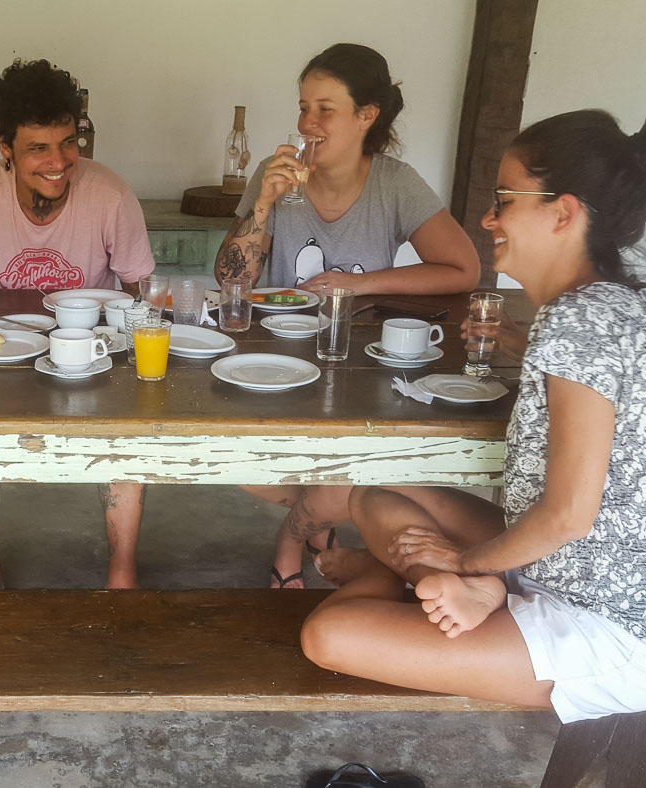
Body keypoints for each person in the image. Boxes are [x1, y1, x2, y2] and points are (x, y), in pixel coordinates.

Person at [299, 109, 646, 724]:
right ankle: (441, 581)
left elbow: (569, 515)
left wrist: (470, 563)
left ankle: (428, 579)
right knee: (374, 489)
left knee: (329, 636)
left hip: (617, 630)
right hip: (568, 570)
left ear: (563, 213)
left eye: (504, 201)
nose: (489, 219)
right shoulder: (598, 310)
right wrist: (525, 348)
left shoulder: (580, 321)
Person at [214, 43, 480, 589]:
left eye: (325, 108)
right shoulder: (276, 173)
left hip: (356, 363)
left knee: (351, 467)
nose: (307, 122)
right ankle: (318, 519)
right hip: (276, 358)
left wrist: (357, 284)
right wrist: (262, 203)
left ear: (366, 116)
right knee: (236, 461)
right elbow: (232, 282)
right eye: (303, 106)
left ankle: (296, 534)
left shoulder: (394, 183)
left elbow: (463, 268)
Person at [0, 58, 156, 589]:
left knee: (128, 433)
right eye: (39, 148)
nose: (60, 162)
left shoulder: (111, 195)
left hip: (89, 353)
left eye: (69, 142)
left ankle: (122, 568)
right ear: (4, 146)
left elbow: (139, 297)